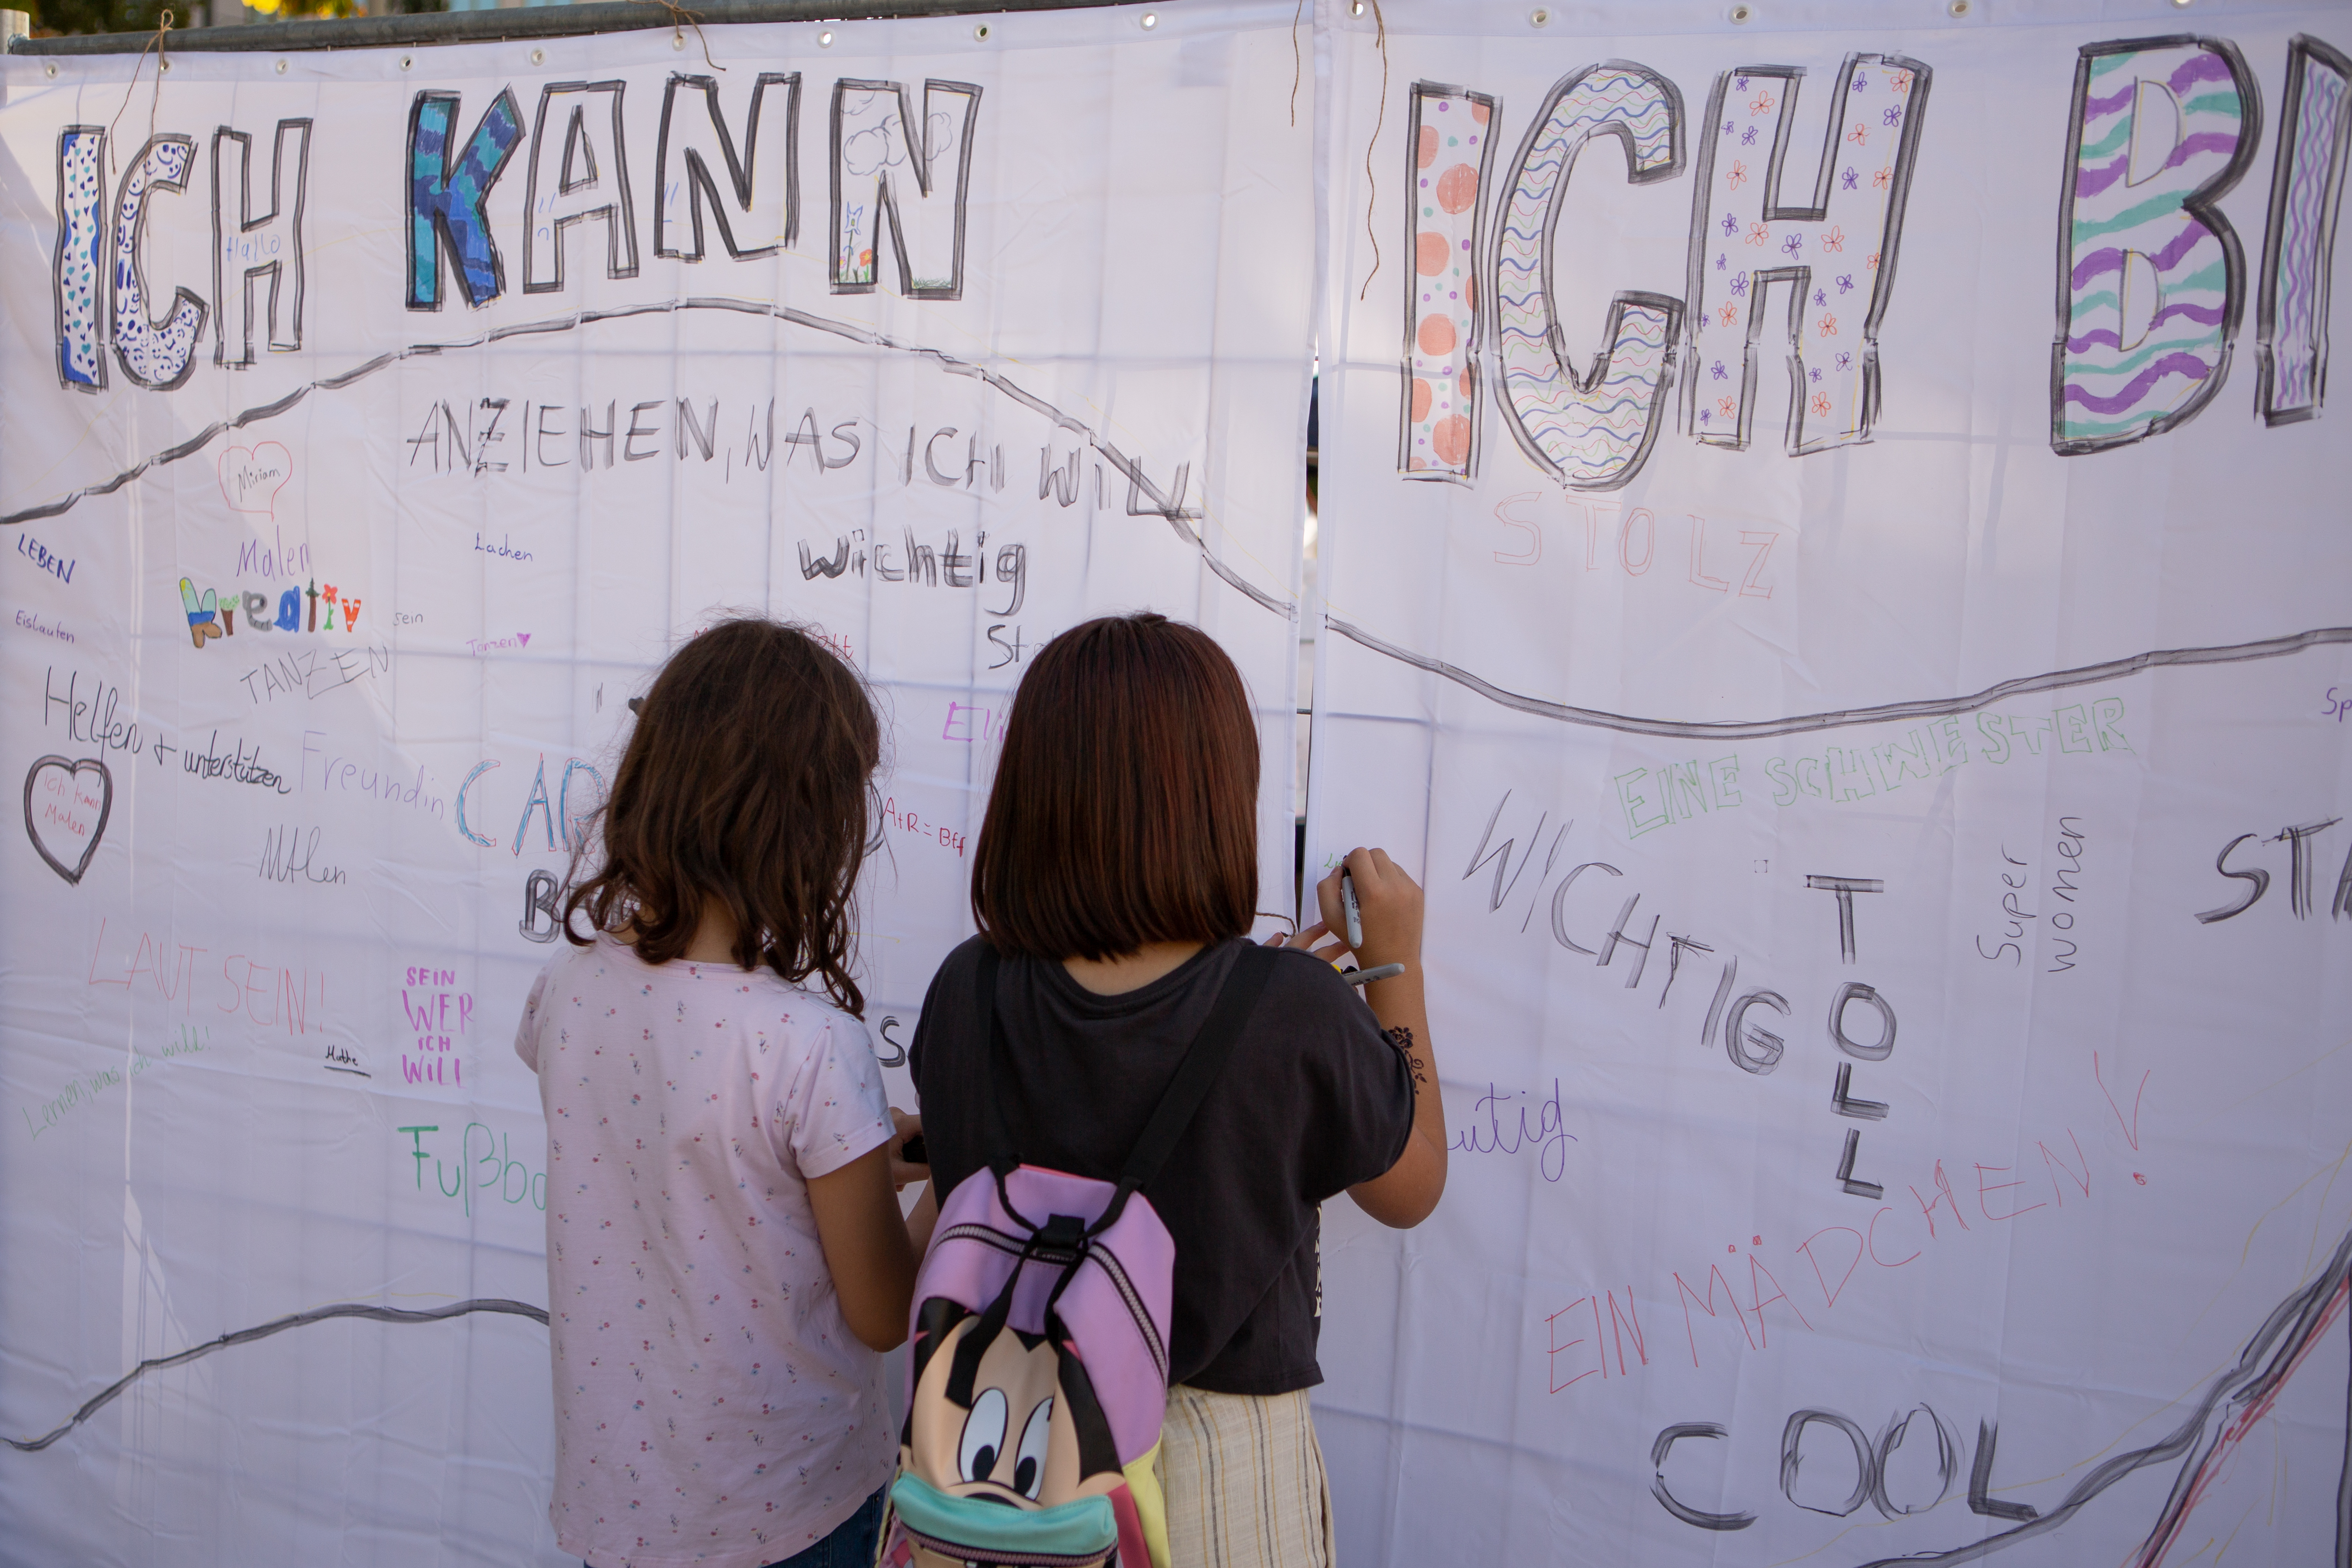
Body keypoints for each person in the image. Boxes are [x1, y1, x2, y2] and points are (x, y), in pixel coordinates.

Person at [904, 612, 1446, 1568]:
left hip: (992, 1458)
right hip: (1213, 1470)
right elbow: (1410, 1191)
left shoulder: (966, 985)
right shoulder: (1291, 1010)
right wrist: (1391, 966)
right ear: (1217, 797)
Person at [513, 617, 930, 1568]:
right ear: (806, 825)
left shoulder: (568, 991)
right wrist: (944, 1178)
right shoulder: (809, 1045)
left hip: (622, 1511)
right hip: (790, 1517)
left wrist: (858, 1163)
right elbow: (881, 1313)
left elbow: (689, 1165)